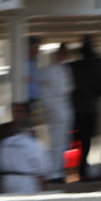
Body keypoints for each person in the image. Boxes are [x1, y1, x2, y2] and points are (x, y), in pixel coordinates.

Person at [69, 36, 101, 180]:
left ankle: (76, 169)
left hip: (77, 108)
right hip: (90, 108)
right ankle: (82, 169)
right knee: (87, 141)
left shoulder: (74, 66)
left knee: (76, 140)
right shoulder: (98, 64)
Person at [40, 44, 74, 184]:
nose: (63, 56)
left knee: (63, 143)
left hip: (64, 107)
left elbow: (68, 90)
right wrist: (53, 110)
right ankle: (53, 171)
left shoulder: (66, 69)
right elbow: (46, 93)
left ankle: (59, 169)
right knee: (55, 142)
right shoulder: (49, 70)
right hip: (55, 108)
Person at [0, 116, 53, 194]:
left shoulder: (5, 142)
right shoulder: (34, 143)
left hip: (6, 181)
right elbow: (43, 168)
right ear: (32, 130)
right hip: (25, 182)